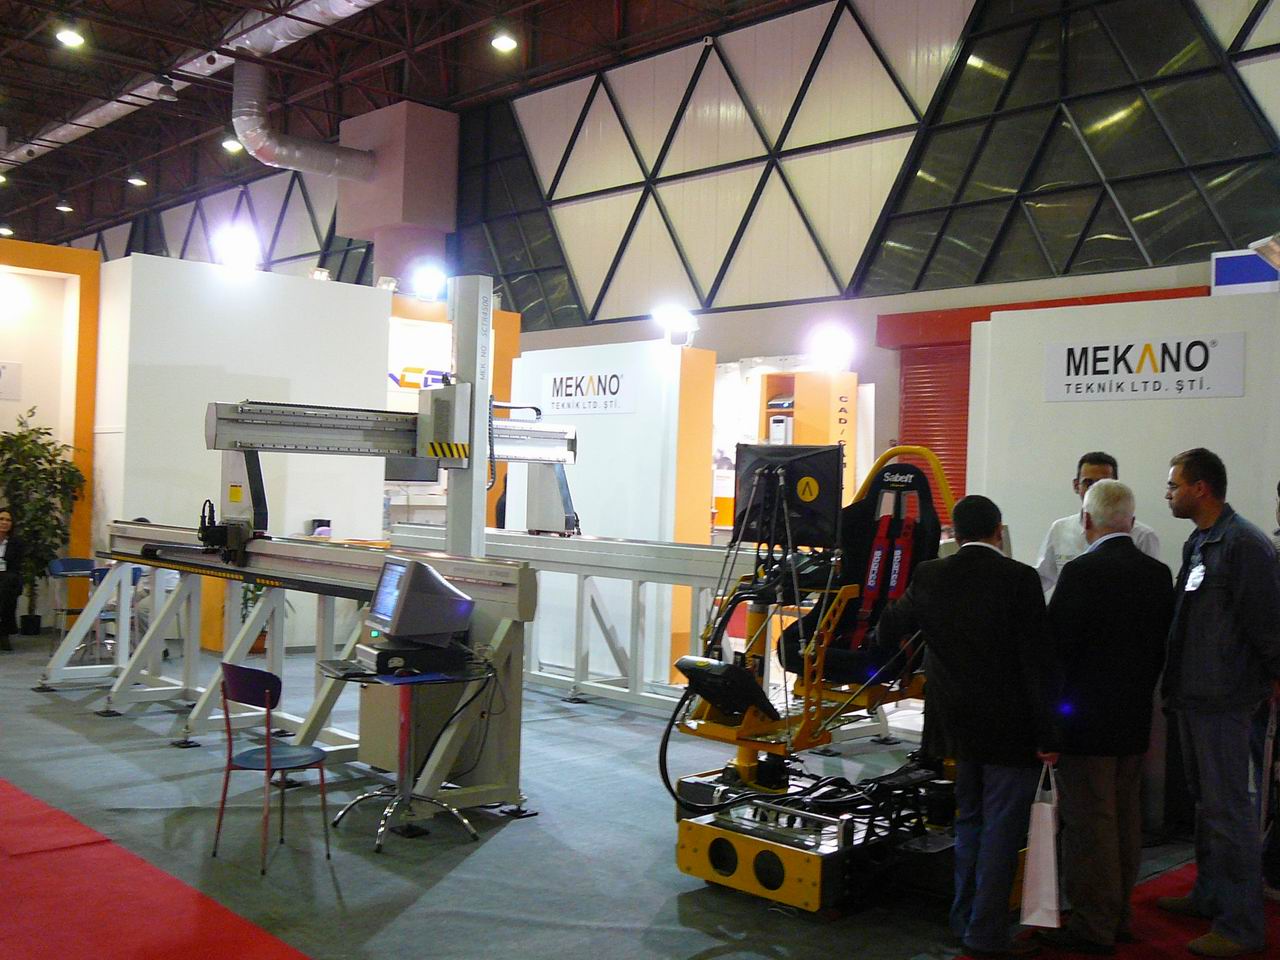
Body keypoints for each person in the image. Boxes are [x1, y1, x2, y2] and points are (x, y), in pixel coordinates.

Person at [877, 495, 1059, 958]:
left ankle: (964, 920)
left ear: (954, 534)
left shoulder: (930, 575)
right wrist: (1048, 733)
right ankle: (986, 933)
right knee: (1002, 831)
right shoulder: (1019, 579)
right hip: (1010, 730)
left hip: (954, 727)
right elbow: (1037, 663)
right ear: (999, 530)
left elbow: (888, 627)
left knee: (970, 823)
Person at [1042, 480, 1174, 955]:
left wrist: (1050, 722)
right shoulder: (1157, 574)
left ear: (1086, 521)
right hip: (1135, 717)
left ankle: (1092, 924)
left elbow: (1057, 653)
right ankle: (1119, 916)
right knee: (1125, 820)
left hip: (1085, 724)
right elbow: (1162, 647)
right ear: (1131, 522)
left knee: (1089, 825)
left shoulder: (1080, 573)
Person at [1160, 448, 1280, 957]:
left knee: (1230, 812)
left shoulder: (1244, 545)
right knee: (1207, 807)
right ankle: (1210, 896)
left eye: (1174, 485)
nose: (1168, 493)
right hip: (1193, 694)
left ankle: (1240, 926)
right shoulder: (1200, 541)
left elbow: (1268, 626)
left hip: (1225, 698)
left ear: (1201, 488)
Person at [1035, 452, 1160, 599]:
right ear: (1076, 485)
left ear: (1116, 486)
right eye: (1088, 483)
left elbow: (1150, 586)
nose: (1095, 490)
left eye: (1103, 483)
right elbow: (1043, 577)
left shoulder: (1143, 535)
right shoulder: (1060, 529)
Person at [0, 507, 27, 651]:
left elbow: (16, 567)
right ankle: (4, 632)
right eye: (1, 519)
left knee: (8, 584)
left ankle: (3, 633)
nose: (5, 522)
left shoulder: (17, 543)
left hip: (8, 578)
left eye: (8, 520)